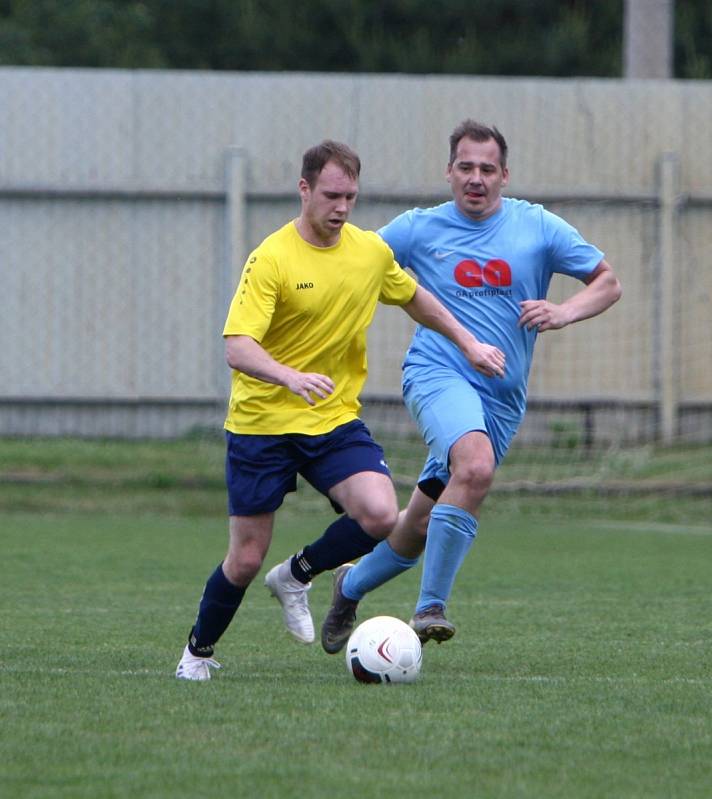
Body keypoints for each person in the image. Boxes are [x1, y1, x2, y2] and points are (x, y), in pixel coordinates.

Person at [175, 139, 505, 680]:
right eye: (331, 195)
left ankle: (298, 574)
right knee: (246, 558)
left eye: (351, 196)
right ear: (304, 190)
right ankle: (197, 653)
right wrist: (289, 375)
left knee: (379, 515)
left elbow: (415, 296)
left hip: (330, 418)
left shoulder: (369, 252)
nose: (342, 208)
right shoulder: (272, 258)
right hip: (262, 425)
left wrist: (468, 343)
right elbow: (237, 346)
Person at [310, 119, 622, 654]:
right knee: (474, 467)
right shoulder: (418, 229)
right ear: (448, 172)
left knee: (419, 524)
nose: (475, 178)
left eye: (486, 168)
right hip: (436, 373)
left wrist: (563, 311)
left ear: (505, 175)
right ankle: (431, 606)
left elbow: (607, 282)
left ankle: (349, 585)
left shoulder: (538, 227)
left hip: (502, 397)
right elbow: (352, 265)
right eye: (465, 167)